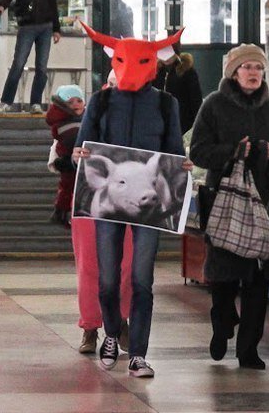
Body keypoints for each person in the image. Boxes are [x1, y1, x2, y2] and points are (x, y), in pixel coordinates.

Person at [74, 44, 189, 379]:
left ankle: (138, 353)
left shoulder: (167, 105)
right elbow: (84, 147)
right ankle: (111, 332)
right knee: (108, 280)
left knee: (142, 280)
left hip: (149, 208)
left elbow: (174, 150)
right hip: (110, 206)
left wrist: (181, 166)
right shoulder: (101, 101)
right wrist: (79, 157)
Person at [189, 44, 269, 370]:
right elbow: (198, 151)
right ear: (233, 72)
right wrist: (232, 152)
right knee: (224, 276)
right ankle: (222, 325)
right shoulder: (213, 106)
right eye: (246, 67)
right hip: (224, 202)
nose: (253, 73)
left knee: (258, 280)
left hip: (265, 203)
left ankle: (249, 349)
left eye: (257, 67)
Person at [50, 83, 134, 355]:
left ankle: (120, 320)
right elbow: (58, 159)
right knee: (89, 265)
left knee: (126, 264)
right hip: (88, 201)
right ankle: (90, 326)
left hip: (126, 201)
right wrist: (74, 158)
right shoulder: (81, 124)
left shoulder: (139, 123)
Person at [0, 0, 62, 112]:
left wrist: (56, 28)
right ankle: (6, 102)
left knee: (42, 67)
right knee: (18, 64)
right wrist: (1, 5)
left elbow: (53, 3)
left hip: (46, 26)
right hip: (27, 26)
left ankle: (35, 103)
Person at [45, 84, 85, 228]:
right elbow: (69, 140)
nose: (75, 104)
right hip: (69, 160)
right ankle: (61, 213)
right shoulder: (66, 123)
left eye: (79, 100)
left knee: (68, 187)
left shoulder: (76, 119)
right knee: (69, 187)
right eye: (70, 102)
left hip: (72, 160)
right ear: (63, 106)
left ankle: (62, 213)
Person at [155, 52, 204, 134]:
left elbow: (196, 102)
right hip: (158, 127)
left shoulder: (188, 71)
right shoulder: (155, 72)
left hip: (182, 127)